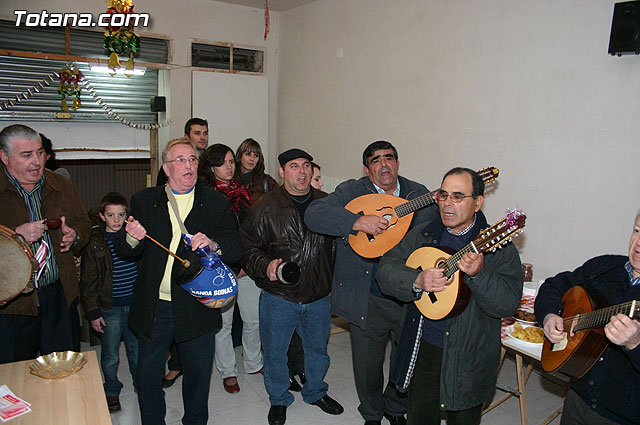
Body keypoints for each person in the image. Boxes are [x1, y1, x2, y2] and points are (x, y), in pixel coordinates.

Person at [375, 167, 523, 425]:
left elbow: (507, 304)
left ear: (477, 202)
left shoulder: (497, 247)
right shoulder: (425, 234)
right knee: (419, 417)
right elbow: (386, 269)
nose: (447, 204)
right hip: (423, 347)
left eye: (458, 196)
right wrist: (417, 279)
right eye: (443, 195)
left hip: (469, 353)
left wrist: (479, 276)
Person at [305, 140, 437, 425]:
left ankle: (395, 408)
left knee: (406, 359)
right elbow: (314, 214)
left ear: (398, 164)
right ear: (367, 170)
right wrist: (356, 222)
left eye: (388, 158)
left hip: (408, 294)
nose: (383, 164)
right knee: (367, 363)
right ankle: (373, 413)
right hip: (368, 295)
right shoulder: (352, 191)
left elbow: (436, 235)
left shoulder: (419, 193)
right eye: (375, 160)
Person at [115, 137, 243, 425]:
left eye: (193, 159)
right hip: (155, 306)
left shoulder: (215, 202)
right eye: (181, 160)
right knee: (148, 378)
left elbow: (236, 246)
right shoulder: (145, 200)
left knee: (197, 378)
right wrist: (131, 237)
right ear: (166, 168)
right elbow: (124, 250)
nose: (188, 165)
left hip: (196, 306)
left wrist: (213, 244)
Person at [241, 148, 344, 425]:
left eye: (306, 165)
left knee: (317, 350)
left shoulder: (327, 205)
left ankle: (315, 391)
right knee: (275, 351)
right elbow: (248, 250)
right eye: (295, 166)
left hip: (319, 296)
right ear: (282, 172)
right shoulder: (264, 207)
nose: (302, 171)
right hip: (280, 297)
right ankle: (278, 398)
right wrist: (266, 266)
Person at [534, 210, 640, 425]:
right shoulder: (605, 267)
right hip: (577, 397)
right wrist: (549, 315)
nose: (638, 243)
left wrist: (635, 344)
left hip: (623, 415)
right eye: (637, 231)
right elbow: (555, 286)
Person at [0, 124, 91, 364]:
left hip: (59, 296)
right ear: (4, 156)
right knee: (13, 374)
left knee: (64, 369)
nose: (37, 161)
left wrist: (75, 236)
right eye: (26, 155)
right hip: (12, 306)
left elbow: (83, 224)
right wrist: (14, 236)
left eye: (39, 152)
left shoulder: (62, 185)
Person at [198, 143, 263, 394]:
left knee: (252, 319)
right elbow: (206, 238)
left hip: (246, 264)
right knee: (223, 325)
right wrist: (230, 265)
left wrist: (246, 263)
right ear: (212, 166)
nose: (229, 166)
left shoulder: (242, 192)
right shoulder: (204, 197)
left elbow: (250, 231)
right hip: (219, 268)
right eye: (223, 162)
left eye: (231, 162)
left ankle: (253, 362)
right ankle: (228, 371)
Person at [79, 192, 140, 413]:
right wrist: (93, 313)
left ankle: (140, 385)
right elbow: (88, 281)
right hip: (110, 307)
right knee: (111, 354)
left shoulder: (134, 237)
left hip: (134, 304)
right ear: (102, 216)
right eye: (111, 215)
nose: (116, 220)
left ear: (127, 216)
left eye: (121, 215)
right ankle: (112, 390)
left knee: (136, 349)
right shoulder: (94, 242)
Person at [156, 118, 209, 187]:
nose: (203, 137)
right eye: (197, 133)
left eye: (205, 133)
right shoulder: (171, 165)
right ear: (186, 137)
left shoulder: (211, 162)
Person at [235, 137, 278, 202]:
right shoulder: (229, 180)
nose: (252, 159)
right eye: (248, 154)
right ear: (240, 156)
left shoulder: (267, 181)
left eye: (255, 155)